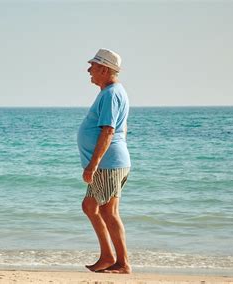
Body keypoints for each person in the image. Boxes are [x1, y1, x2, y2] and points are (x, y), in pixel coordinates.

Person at [77, 49, 132, 274]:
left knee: (102, 210)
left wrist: (94, 163)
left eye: (93, 65)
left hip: (108, 164)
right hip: (112, 162)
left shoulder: (111, 93)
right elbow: (123, 128)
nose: (89, 69)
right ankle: (109, 257)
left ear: (105, 69)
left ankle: (121, 262)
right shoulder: (111, 92)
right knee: (97, 208)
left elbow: (109, 130)